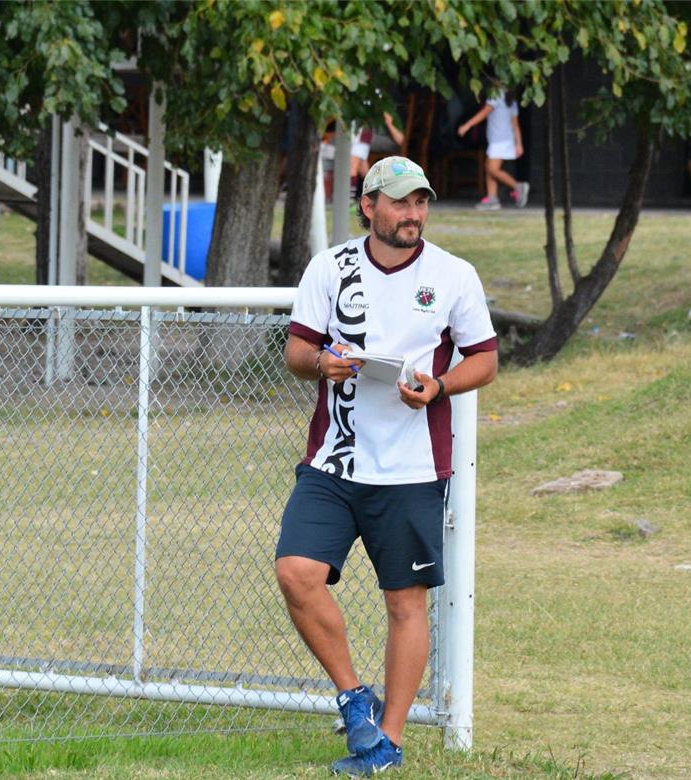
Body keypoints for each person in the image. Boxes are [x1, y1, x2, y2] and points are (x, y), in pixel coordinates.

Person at [276, 156, 498, 776]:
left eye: (421, 202)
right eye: (399, 203)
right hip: (334, 460)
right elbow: (296, 349)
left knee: (405, 604)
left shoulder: (453, 275)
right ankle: (354, 698)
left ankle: (387, 743)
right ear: (367, 206)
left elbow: (485, 359)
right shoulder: (331, 267)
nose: (413, 215)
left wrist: (441, 386)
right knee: (296, 572)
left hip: (413, 468)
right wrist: (323, 364)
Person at [457, 90, 528, 210]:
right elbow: (515, 124)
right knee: (489, 167)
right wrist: (518, 143)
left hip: (500, 141)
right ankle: (492, 199)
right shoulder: (510, 98)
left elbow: (485, 112)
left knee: (492, 169)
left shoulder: (496, 94)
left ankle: (517, 186)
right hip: (503, 139)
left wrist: (467, 125)